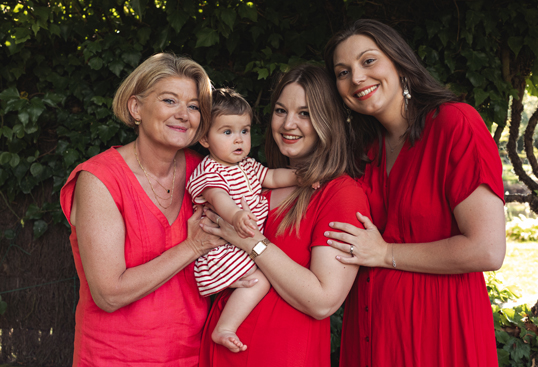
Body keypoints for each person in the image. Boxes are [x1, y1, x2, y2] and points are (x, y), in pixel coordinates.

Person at [323, 19, 506, 367]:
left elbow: (488, 249)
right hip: (370, 331)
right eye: (342, 72)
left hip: (440, 331)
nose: (357, 77)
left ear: (399, 60)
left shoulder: (455, 124)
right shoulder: (362, 148)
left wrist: (385, 253)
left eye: (368, 61)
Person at [59, 53, 227, 367]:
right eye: (169, 100)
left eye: (193, 106)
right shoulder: (99, 180)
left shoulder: (205, 172)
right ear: (136, 108)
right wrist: (193, 246)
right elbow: (109, 294)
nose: (183, 115)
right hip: (114, 357)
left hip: (192, 355)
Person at [198, 64, 370, 367]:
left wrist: (253, 242)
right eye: (280, 110)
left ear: (327, 119)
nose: (289, 123)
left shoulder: (340, 193)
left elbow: (323, 301)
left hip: (282, 355)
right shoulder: (251, 183)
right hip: (222, 351)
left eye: (304, 113)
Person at [187, 88, 307, 352]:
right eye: (227, 132)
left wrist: (303, 177)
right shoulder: (209, 170)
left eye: (244, 130)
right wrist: (237, 215)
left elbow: (274, 178)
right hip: (223, 250)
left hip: (241, 244)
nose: (239, 139)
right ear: (205, 139)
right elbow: (219, 199)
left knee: (268, 274)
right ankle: (225, 328)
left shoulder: (248, 166)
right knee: (262, 280)